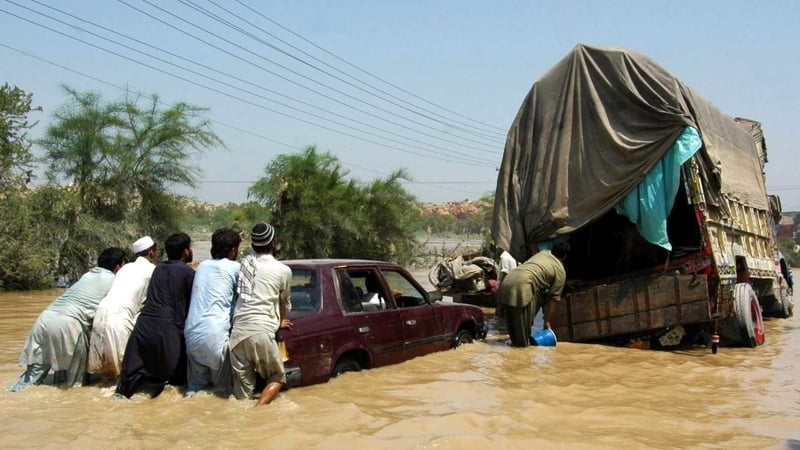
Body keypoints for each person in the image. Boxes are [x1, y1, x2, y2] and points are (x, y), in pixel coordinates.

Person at [8, 247, 127, 392]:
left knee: (29, 381)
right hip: (68, 325)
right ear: (118, 267)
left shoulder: (87, 275)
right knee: (74, 388)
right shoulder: (115, 280)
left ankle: (9, 395)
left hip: (45, 319)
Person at [115, 233, 195, 399]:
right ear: (186, 251)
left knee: (126, 387)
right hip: (167, 330)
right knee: (176, 386)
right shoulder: (188, 273)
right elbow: (191, 308)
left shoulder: (158, 269)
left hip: (142, 328)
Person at [229, 223, 292, 406]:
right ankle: (259, 412)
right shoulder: (283, 270)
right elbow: (284, 302)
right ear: (274, 243)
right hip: (261, 331)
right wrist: (280, 322)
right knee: (278, 376)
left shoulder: (245, 264)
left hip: (237, 334)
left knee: (242, 397)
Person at [88, 236, 158, 381]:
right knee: (124, 376)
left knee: (106, 377)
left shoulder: (125, 268)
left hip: (100, 315)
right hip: (119, 320)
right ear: (151, 252)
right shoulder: (152, 270)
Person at [184, 228, 241, 397]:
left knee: (195, 390)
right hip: (215, 336)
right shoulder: (235, 267)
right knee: (221, 393)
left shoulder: (202, 266)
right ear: (233, 250)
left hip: (192, 335)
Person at [497, 241, 570, 347]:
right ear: (565, 256)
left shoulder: (543, 253)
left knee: (513, 332)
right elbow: (555, 298)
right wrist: (547, 322)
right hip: (523, 286)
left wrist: (499, 305)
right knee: (522, 342)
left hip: (508, 282)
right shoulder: (559, 270)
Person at [494, 247, 519, 316]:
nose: (498, 248)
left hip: (505, 287)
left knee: (500, 310)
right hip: (511, 286)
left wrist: (500, 288)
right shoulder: (511, 256)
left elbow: (505, 273)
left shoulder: (504, 257)